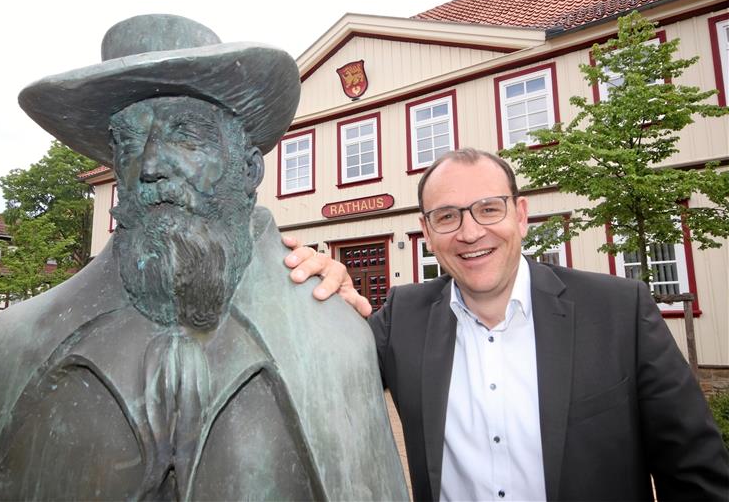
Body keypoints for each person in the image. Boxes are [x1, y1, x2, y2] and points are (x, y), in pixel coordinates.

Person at [0, 14, 408, 502]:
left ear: (249, 169)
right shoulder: (17, 343)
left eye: (186, 137)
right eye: (128, 143)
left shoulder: (333, 341)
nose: (150, 166)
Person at [286, 148, 729, 501]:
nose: (470, 232)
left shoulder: (619, 310)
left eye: (489, 209)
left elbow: (695, 474)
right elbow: (314, 386)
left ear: (520, 215)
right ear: (426, 230)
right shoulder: (402, 317)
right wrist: (312, 300)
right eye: (447, 216)